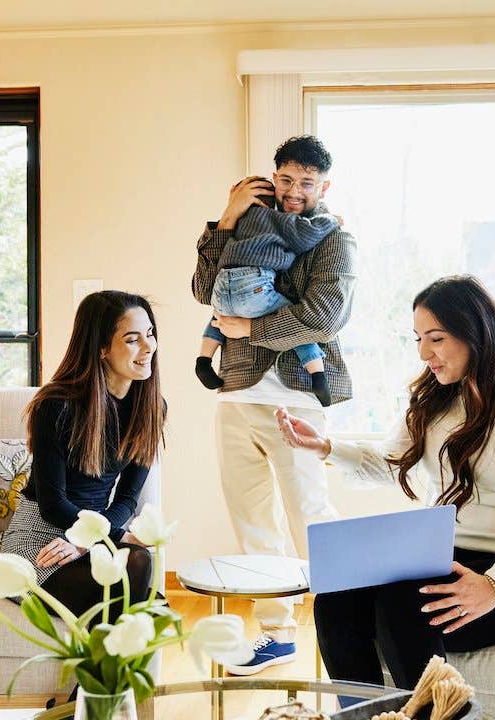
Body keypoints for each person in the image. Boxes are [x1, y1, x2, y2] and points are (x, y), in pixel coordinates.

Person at [275, 275, 495, 692]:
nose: (424, 353)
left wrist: (494, 584)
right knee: (337, 600)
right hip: (449, 555)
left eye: (435, 338)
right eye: (418, 338)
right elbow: (394, 462)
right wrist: (326, 447)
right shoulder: (438, 391)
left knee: (404, 607)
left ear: (476, 331)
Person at [191, 134, 355, 674]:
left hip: (299, 400)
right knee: (252, 520)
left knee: (312, 517)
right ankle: (278, 634)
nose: (294, 192)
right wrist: (225, 218)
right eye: (286, 180)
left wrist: (252, 328)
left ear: (322, 187)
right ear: (274, 176)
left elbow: (324, 316)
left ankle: (348, 632)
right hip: (236, 394)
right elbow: (202, 290)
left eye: (306, 184)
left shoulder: (335, 239)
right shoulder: (247, 221)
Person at [0, 290, 165, 617]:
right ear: (102, 348)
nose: (148, 347)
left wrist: (89, 541)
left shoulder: (150, 409)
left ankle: (97, 667)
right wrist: (110, 537)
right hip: (40, 539)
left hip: (89, 535)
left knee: (142, 575)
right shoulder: (56, 405)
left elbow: (127, 500)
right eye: (132, 339)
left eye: (150, 334)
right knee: (144, 602)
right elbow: (53, 503)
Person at [195, 197, 340, 406]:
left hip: (222, 286)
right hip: (253, 286)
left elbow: (204, 292)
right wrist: (332, 220)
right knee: (294, 322)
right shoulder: (276, 219)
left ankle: (203, 360)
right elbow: (309, 232)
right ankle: (318, 376)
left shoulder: (235, 225)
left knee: (219, 317)